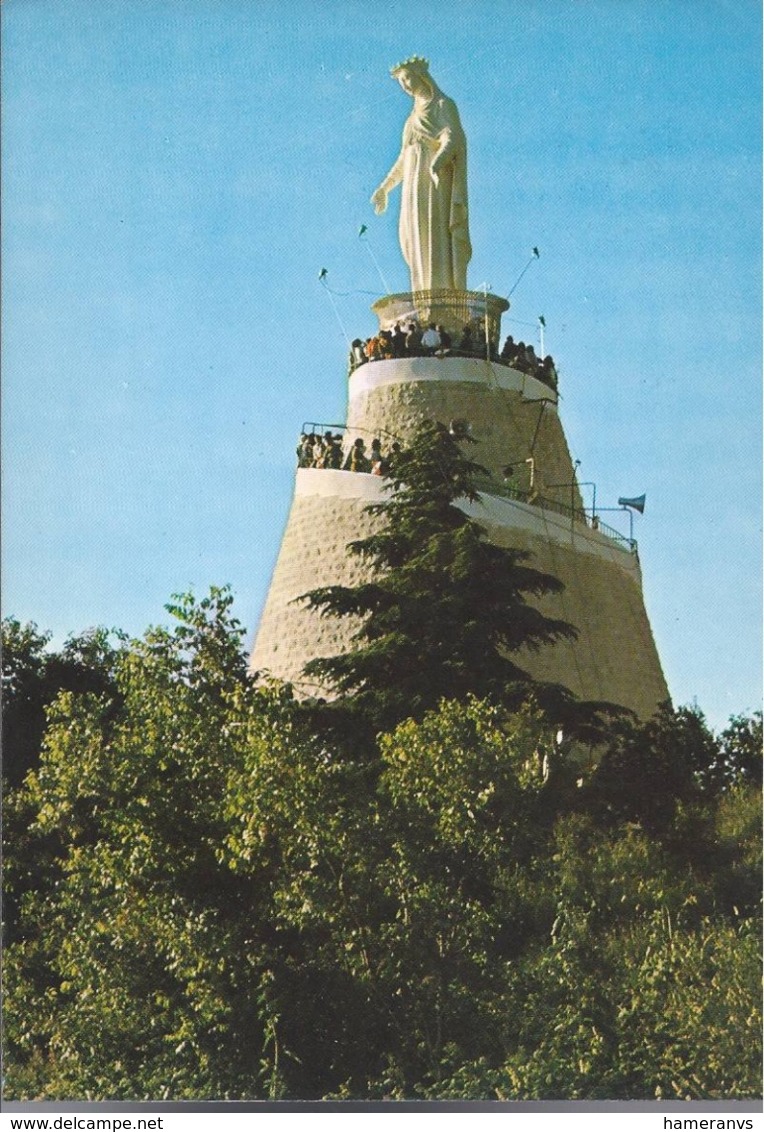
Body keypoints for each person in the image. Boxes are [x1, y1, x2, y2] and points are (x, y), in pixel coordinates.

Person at [370, 57, 471, 293]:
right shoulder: (411, 121)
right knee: (416, 240)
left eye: (407, 78)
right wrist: (385, 188)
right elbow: (404, 159)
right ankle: (423, 298)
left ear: (420, 76)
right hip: (413, 188)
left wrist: (437, 164)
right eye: (401, 82)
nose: (405, 85)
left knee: (436, 238)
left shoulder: (443, 106)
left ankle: (444, 296)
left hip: (436, 185)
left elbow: (453, 137)